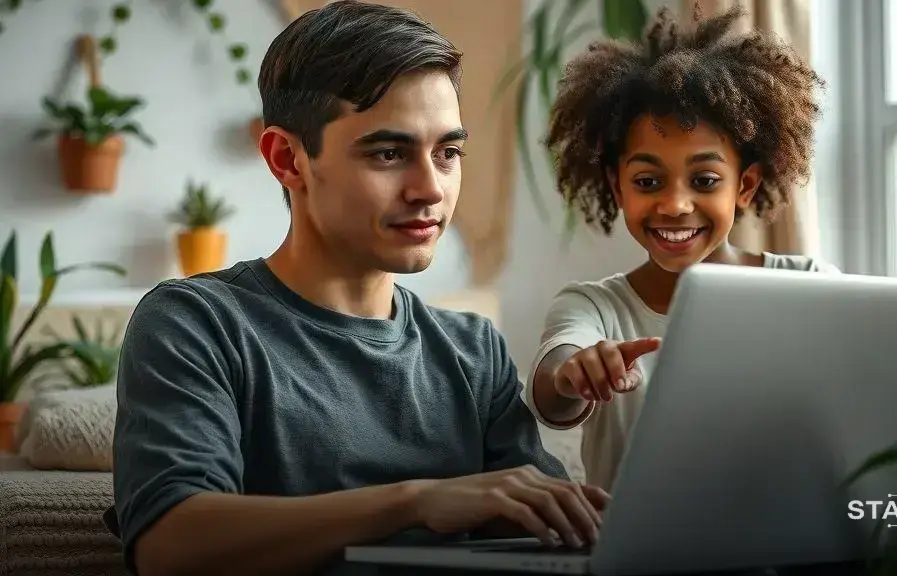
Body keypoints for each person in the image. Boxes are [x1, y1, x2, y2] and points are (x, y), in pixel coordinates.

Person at [105, 2, 608, 575]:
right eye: (389, 153)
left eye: (448, 153)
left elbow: (550, 526)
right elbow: (168, 547)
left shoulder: (474, 352)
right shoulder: (196, 324)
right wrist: (415, 501)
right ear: (287, 159)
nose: (430, 189)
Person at [525, 6, 841, 492]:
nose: (674, 205)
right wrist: (575, 373)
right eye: (648, 181)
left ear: (745, 186)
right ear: (618, 187)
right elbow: (554, 383)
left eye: (705, 180)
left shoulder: (810, 286)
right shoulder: (594, 307)